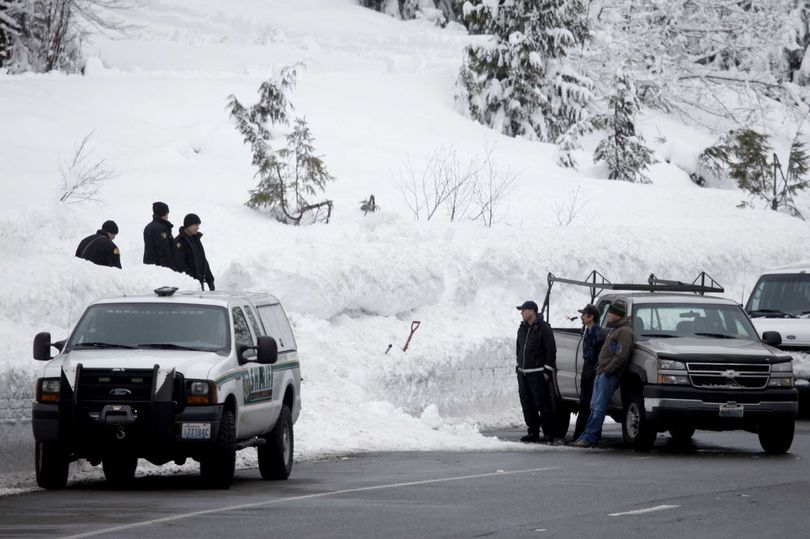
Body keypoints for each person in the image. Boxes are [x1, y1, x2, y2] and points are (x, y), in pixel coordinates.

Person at [572, 300, 633, 448]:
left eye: (611, 313)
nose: (609, 315)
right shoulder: (614, 329)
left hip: (609, 375)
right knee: (593, 406)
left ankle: (591, 437)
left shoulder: (624, 331)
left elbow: (620, 356)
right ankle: (586, 435)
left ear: (617, 315)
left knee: (599, 407)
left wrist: (607, 370)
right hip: (600, 373)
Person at [515, 300, 557, 443]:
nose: (521, 313)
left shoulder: (544, 328)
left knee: (542, 404)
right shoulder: (522, 328)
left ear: (532, 311)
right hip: (523, 373)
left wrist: (547, 371)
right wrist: (518, 366)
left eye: (523, 310)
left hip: (538, 373)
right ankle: (533, 431)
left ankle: (548, 433)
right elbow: (519, 349)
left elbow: (551, 350)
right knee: (527, 404)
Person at [571, 304, 604, 442]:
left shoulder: (598, 333)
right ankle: (579, 435)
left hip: (593, 370)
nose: (581, 317)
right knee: (584, 404)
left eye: (584, 314)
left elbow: (597, 355)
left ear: (591, 317)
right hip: (587, 370)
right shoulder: (588, 331)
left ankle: (590, 436)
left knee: (592, 405)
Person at [175, 213, 215, 290]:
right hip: (190, 287)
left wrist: (210, 279)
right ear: (188, 225)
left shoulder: (196, 239)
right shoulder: (179, 242)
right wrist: (194, 281)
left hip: (199, 284)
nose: (198, 227)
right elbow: (181, 266)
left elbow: (203, 260)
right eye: (196, 225)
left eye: (198, 225)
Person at [143, 201, 177, 270]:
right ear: (164, 213)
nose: (168, 216)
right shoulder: (162, 229)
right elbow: (164, 250)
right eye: (167, 213)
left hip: (149, 266)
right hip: (160, 267)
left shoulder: (148, 227)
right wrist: (172, 268)